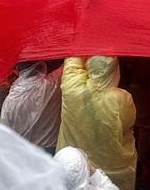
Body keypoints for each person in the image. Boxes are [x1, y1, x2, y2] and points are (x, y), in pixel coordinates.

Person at [57, 56, 137, 190]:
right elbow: (127, 126)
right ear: (114, 70)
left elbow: (72, 59)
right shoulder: (122, 98)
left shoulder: (72, 87)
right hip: (113, 165)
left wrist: (88, 42)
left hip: (74, 164)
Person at [2, 61, 63, 152]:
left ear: (19, 69)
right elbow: (66, 68)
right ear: (41, 65)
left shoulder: (10, 99)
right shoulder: (51, 84)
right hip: (50, 150)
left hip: (22, 151)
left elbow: (5, 133)